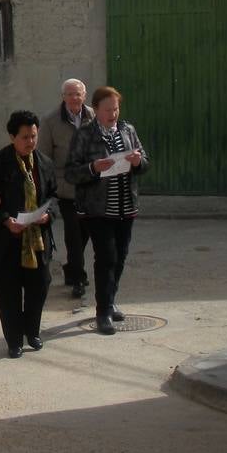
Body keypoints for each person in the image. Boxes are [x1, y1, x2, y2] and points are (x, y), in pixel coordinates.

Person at [65, 86, 149, 336]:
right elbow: (71, 172)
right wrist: (93, 167)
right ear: (96, 110)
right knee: (106, 258)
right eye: (108, 109)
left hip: (125, 206)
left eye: (116, 108)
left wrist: (137, 162)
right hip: (97, 209)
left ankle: (110, 300)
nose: (113, 114)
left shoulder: (127, 130)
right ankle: (103, 313)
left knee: (120, 256)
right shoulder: (84, 135)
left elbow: (145, 162)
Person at [0, 111, 58, 357]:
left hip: (37, 240)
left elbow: (53, 197)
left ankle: (32, 331)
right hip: (6, 241)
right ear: (12, 137)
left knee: (39, 286)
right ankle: (14, 340)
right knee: (9, 292)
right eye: (25, 137)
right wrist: (4, 219)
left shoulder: (44, 162)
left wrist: (48, 215)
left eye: (33, 136)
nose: (30, 142)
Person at [39, 79, 95, 298]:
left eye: (78, 94)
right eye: (70, 94)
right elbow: (44, 156)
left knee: (86, 231)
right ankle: (78, 279)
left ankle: (71, 267)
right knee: (73, 233)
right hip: (67, 186)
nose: (74, 98)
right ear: (63, 97)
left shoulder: (93, 116)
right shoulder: (51, 121)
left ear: (84, 95)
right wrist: (49, 186)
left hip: (91, 184)